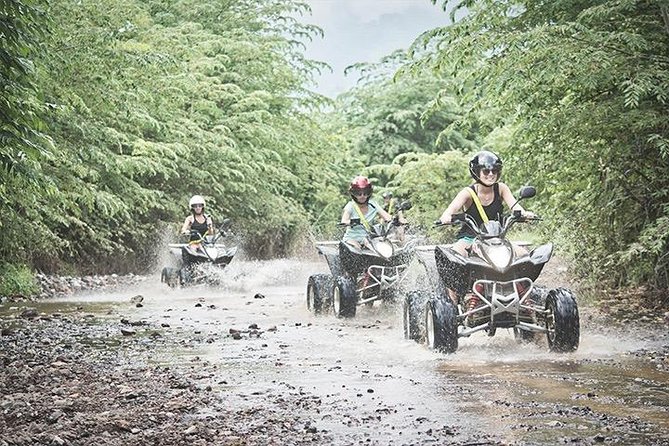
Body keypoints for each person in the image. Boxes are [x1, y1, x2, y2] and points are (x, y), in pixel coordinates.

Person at [438, 151, 535, 302]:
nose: (491, 174)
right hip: (470, 238)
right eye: (486, 170)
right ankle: (453, 303)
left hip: (496, 239)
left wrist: (524, 213)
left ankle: (526, 296)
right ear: (476, 172)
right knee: (455, 259)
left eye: (494, 170)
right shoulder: (468, 192)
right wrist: (447, 217)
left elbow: (515, 207)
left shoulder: (501, 188)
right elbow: (450, 210)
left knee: (524, 256)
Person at [341, 176, 394, 249]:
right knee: (356, 248)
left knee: (379, 248)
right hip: (352, 239)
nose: (362, 196)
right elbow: (344, 221)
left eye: (365, 193)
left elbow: (387, 217)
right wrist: (353, 221)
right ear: (353, 194)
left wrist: (396, 221)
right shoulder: (350, 206)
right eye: (358, 193)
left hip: (368, 239)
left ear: (369, 193)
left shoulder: (373, 205)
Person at [180, 195, 214, 271]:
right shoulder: (190, 218)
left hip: (204, 244)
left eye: (199, 206)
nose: (198, 208)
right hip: (193, 243)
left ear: (203, 207)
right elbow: (183, 230)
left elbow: (211, 233)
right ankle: (187, 271)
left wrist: (209, 226)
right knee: (192, 254)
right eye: (195, 206)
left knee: (210, 256)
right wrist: (187, 231)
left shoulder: (207, 218)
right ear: (192, 208)